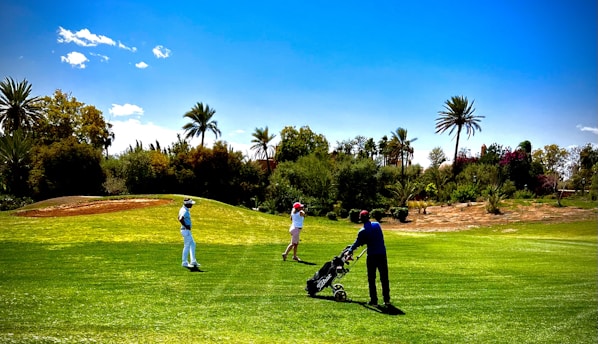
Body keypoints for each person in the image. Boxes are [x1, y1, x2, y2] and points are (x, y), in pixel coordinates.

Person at [346, 210, 391, 306]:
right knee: (384, 278)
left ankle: (374, 301)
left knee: (372, 279)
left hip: (372, 256)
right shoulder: (377, 225)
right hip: (382, 254)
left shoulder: (362, 231)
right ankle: (386, 300)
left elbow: (357, 243)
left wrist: (350, 250)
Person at [178, 198, 200, 268]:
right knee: (187, 246)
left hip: (186, 230)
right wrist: (186, 225)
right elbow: (180, 219)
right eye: (191, 204)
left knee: (193, 244)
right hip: (185, 230)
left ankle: (193, 261)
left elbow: (178, 217)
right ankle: (184, 262)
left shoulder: (184, 209)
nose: (192, 205)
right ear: (187, 204)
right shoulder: (184, 211)